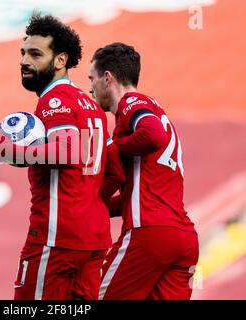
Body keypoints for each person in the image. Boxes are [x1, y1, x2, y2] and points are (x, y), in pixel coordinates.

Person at [0, 14, 125, 300]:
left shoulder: (55, 100)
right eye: (23, 53)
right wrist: (86, 203)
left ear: (60, 60)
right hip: (93, 239)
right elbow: (115, 172)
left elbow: (65, 152)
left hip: (56, 240)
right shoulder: (91, 106)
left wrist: (8, 151)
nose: (25, 61)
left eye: (36, 54)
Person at [88, 42, 199, 300]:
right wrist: (92, 207)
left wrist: (111, 149)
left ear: (108, 78)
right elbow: (139, 190)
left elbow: (153, 135)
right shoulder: (155, 109)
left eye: (91, 79)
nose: (90, 88)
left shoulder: (131, 102)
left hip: (149, 233)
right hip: (182, 238)